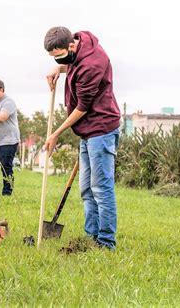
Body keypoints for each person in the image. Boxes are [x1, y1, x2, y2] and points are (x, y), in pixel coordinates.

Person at [43, 27, 121, 249]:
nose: (58, 58)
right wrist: (58, 68)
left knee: (101, 188)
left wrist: (56, 133)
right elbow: (71, 63)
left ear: (70, 46)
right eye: (53, 56)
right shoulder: (77, 42)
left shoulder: (92, 64)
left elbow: (83, 107)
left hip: (101, 129)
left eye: (59, 54)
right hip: (87, 131)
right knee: (86, 188)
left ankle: (106, 243)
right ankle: (90, 237)